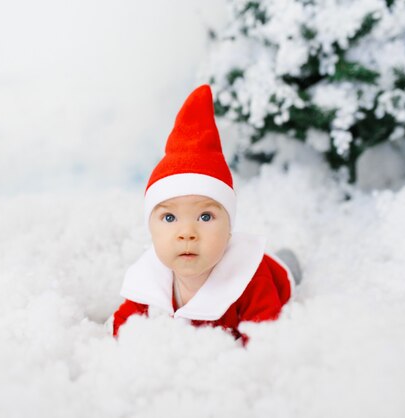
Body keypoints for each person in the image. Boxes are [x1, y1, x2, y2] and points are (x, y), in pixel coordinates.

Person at [112, 84, 301, 344]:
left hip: (273, 272)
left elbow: (264, 337)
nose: (187, 233)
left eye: (205, 217)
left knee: (287, 269)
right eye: (169, 218)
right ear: (150, 228)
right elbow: (125, 324)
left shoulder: (250, 280)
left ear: (229, 227)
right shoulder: (151, 276)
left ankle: (287, 262)